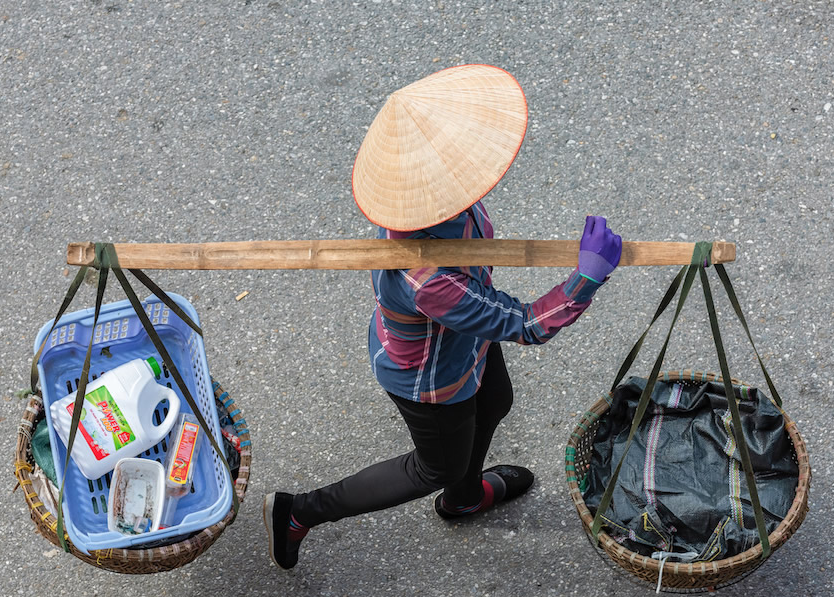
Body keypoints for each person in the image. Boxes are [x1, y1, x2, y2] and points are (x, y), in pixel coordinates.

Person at [264, 64, 622, 570]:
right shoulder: (426, 278)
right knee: (434, 466)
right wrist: (585, 280)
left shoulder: (448, 204)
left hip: (463, 336)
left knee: (496, 400)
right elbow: (524, 325)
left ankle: (465, 497)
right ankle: (300, 512)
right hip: (429, 377)